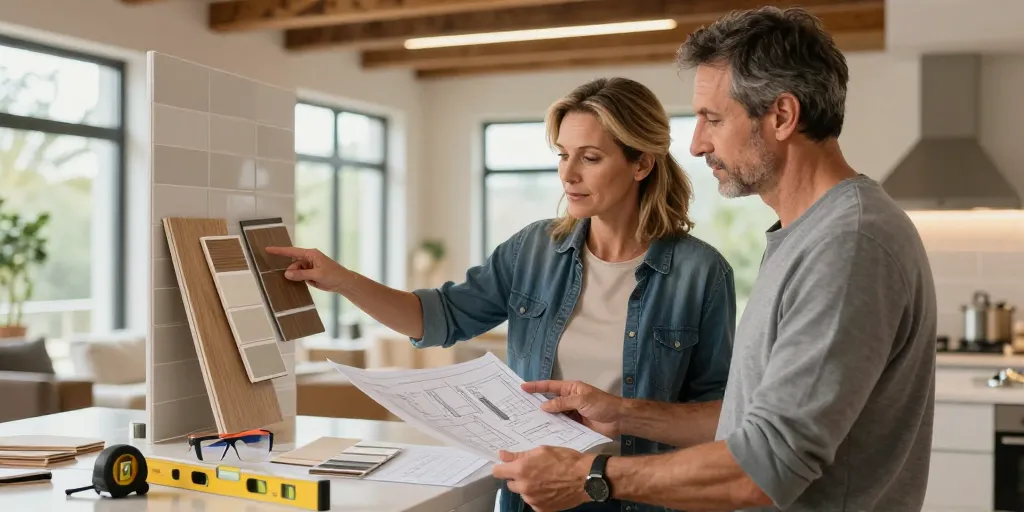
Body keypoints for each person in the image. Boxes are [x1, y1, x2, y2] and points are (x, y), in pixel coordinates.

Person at [488, 6, 937, 512]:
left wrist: (590, 475)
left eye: (713, 119)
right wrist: (625, 414)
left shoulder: (847, 245)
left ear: (783, 116)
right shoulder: (805, 235)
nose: (697, 144)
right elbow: (747, 423)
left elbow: (763, 469)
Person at [266, 77, 737, 512]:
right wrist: (342, 279)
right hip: (531, 497)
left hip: (637, 500)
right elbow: (438, 318)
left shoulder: (701, 272)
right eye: (562, 154)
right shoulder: (533, 249)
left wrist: (626, 416)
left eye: (590, 157)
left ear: (642, 163)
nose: (568, 174)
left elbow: (720, 417)